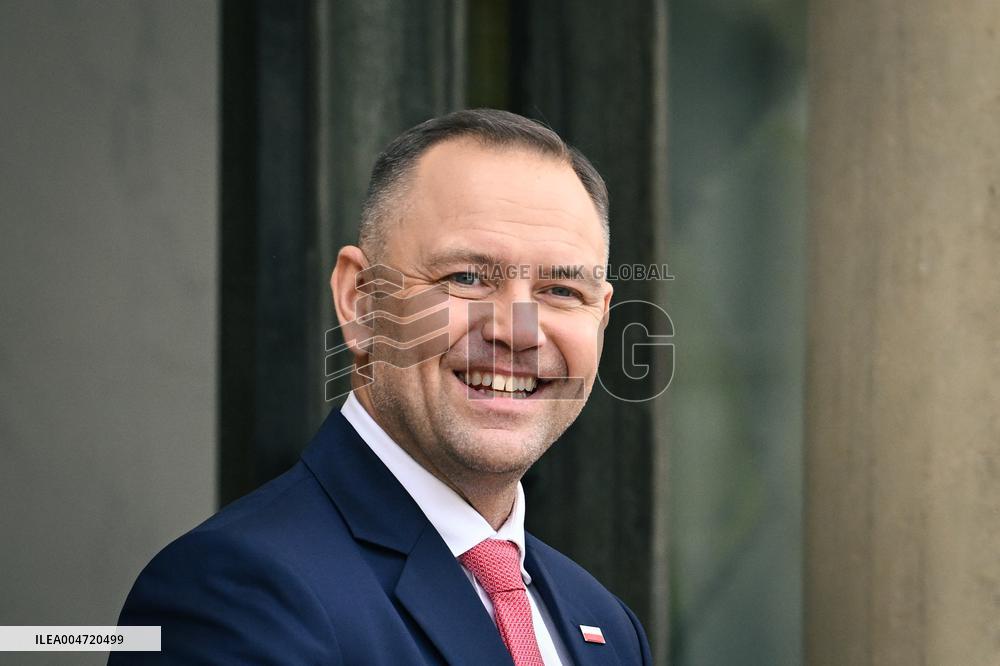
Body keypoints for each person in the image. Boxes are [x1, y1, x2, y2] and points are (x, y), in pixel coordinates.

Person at [111, 109, 652, 665]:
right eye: (466, 278)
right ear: (360, 302)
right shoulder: (233, 593)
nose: (517, 332)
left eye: (562, 291)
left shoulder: (609, 628)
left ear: (602, 317)